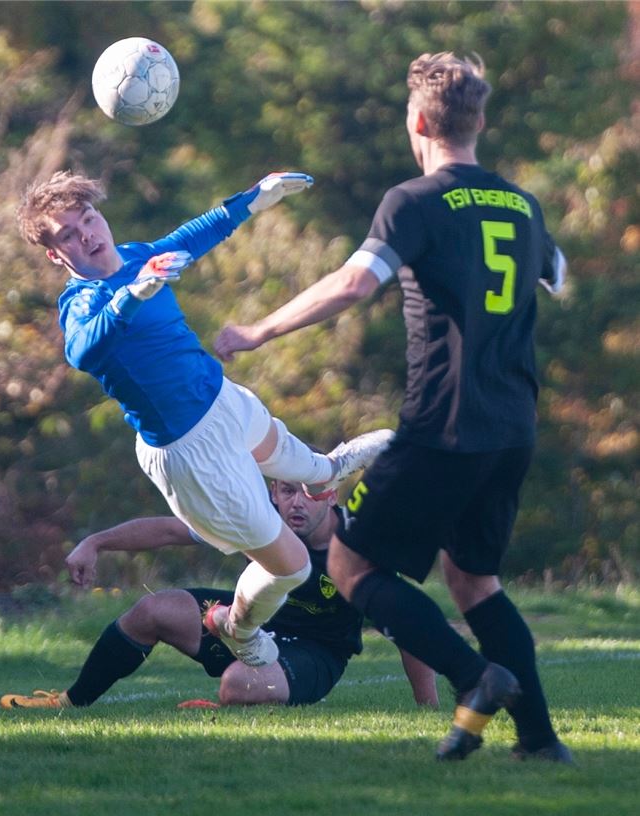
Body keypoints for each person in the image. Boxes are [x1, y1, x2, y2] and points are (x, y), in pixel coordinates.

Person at [213, 53, 570, 763]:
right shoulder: (522, 205)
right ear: (479, 122)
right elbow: (556, 276)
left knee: (350, 564)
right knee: (474, 581)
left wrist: (258, 331)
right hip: (512, 426)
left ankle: (474, 677)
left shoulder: (414, 201)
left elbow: (353, 284)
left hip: (444, 424)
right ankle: (539, 742)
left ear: (419, 124)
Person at [16, 170, 393, 670]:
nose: (86, 234)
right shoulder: (81, 301)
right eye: (67, 234)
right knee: (294, 568)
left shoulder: (135, 256)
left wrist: (253, 200)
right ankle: (238, 628)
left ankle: (329, 469)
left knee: (310, 469)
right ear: (54, 254)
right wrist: (133, 295)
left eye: (88, 218)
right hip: (190, 451)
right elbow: (83, 351)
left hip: (223, 401)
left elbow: (191, 237)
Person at [0, 480, 438, 710]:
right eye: (287, 491)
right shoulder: (259, 520)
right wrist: (95, 542)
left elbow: (404, 626)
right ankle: (69, 702)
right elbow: (171, 530)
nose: (297, 503)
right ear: (273, 493)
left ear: (330, 493)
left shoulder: (362, 544)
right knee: (152, 609)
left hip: (315, 653)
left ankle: (248, 693)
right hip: (244, 624)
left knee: (236, 685)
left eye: (308, 491)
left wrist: (427, 708)